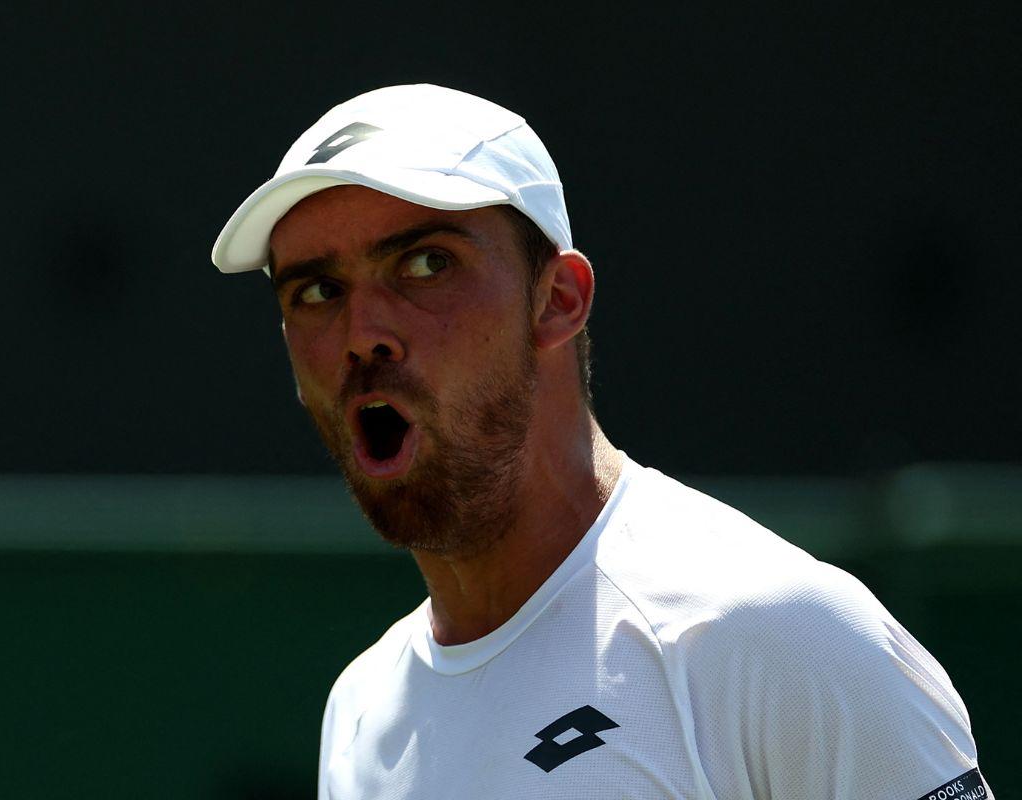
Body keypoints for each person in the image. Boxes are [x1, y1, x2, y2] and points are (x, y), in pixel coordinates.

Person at [210, 84, 992, 800]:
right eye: (317, 291)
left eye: (425, 263)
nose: (362, 335)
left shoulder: (776, 630)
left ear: (558, 300)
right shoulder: (359, 712)